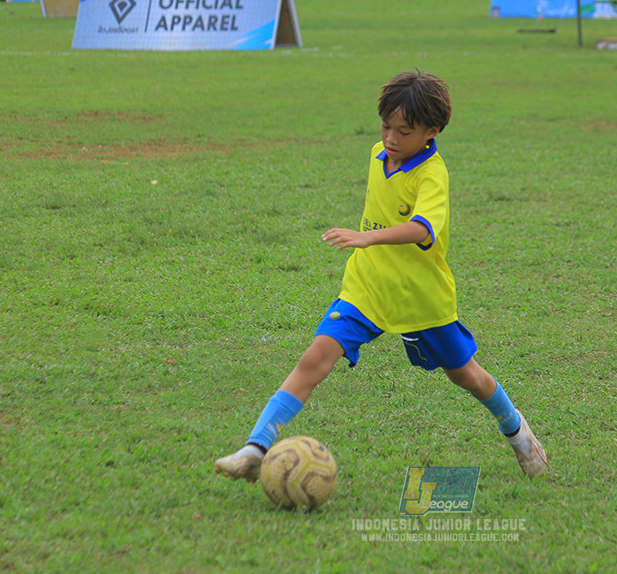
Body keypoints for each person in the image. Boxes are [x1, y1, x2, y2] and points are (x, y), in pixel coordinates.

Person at [213, 71, 549, 482]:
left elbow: (424, 228)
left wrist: (368, 237)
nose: (390, 138)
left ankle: (516, 431)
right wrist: (368, 247)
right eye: (385, 126)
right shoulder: (378, 154)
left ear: (432, 131)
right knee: (315, 358)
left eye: (403, 131)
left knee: (466, 376)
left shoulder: (431, 174)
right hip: (366, 287)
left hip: (420, 298)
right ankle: (255, 448)